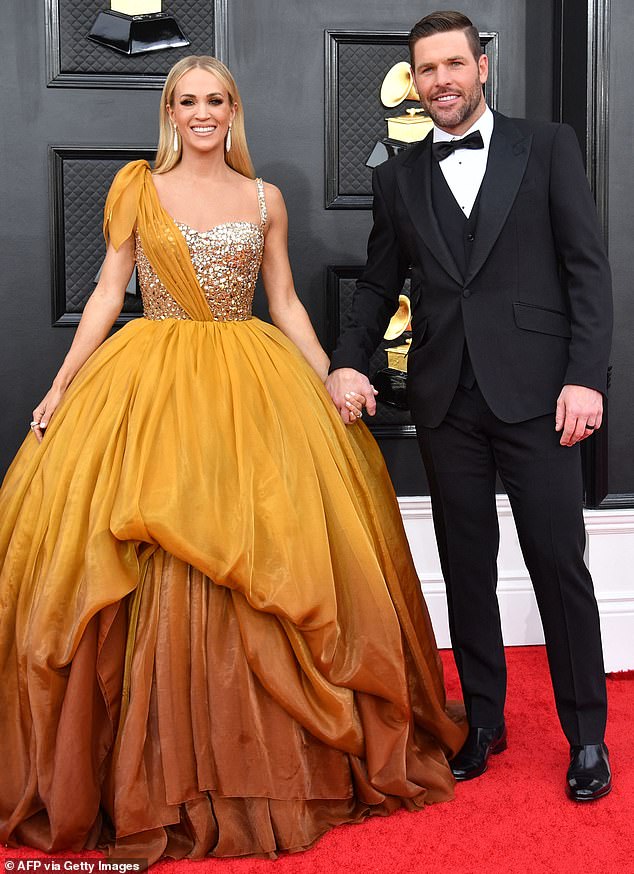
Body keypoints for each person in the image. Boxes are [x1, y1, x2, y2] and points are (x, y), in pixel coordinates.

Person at [0, 56, 467, 863]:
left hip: (252, 378)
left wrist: (330, 378)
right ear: (170, 112)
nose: (203, 113)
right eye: (188, 102)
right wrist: (61, 384)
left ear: (233, 109)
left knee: (266, 548)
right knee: (147, 542)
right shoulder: (137, 190)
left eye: (216, 100)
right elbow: (111, 294)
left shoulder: (265, 200)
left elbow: (282, 300)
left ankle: (257, 754)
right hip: (149, 379)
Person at [327, 11, 613, 801]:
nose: (441, 81)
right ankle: (483, 719)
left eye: (453, 63)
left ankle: (587, 736)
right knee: (465, 564)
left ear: (481, 66)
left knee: (560, 566)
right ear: (414, 83)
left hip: (540, 396)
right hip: (446, 396)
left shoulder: (548, 145)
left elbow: (586, 267)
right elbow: (380, 283)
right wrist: (346, 360)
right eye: (426, 69)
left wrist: (586, 376)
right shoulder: (398, 176)